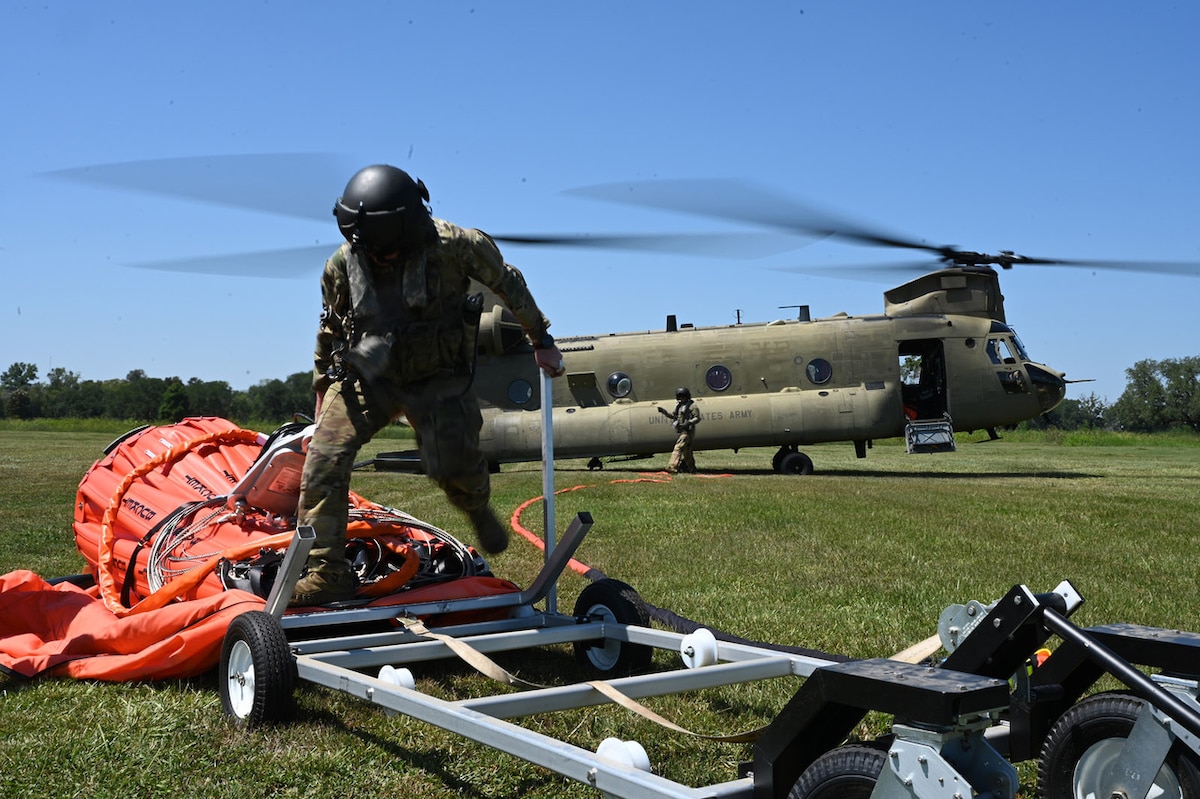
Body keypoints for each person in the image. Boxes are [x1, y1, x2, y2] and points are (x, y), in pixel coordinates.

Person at [290, 164, 566, 606]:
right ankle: (328, 572)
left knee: (454, 471)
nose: (374, 258)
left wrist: (541, 340)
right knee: (324, 460)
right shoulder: (343, 264)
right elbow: (331, 328)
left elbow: (509, 284)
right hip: (370, 379)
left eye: (381, 250)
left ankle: (476, 507)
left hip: (439, 378)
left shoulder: (458, 247)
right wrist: (323, 386)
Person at [658, 387, 701, 474]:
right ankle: (692, 469)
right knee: (687, 453)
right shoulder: (679, 407)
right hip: (682, 431)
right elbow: (674, 416)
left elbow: (697, 418)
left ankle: (672, 467)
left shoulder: (692, 406)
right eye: (680, 397)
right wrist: (664, 412)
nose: (681, 399)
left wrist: (688, 423)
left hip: (687, 432)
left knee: (678, 448)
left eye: (683, 397)